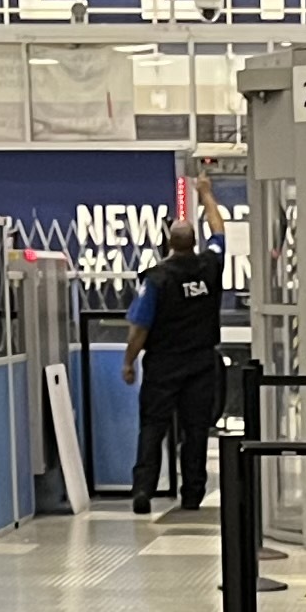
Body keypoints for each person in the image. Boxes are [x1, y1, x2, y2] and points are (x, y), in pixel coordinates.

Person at [123, 219, 228, 516]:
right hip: (201, 363)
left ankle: (143, 489)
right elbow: (219, 233)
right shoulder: (210, 266)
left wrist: (129, 362)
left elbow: (140, 327)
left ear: (169, 243)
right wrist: (206, 197)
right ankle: (193, 494)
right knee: (195, 429)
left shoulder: (156, 279)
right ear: (194, 242)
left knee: (153, 427)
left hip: (164, 364)